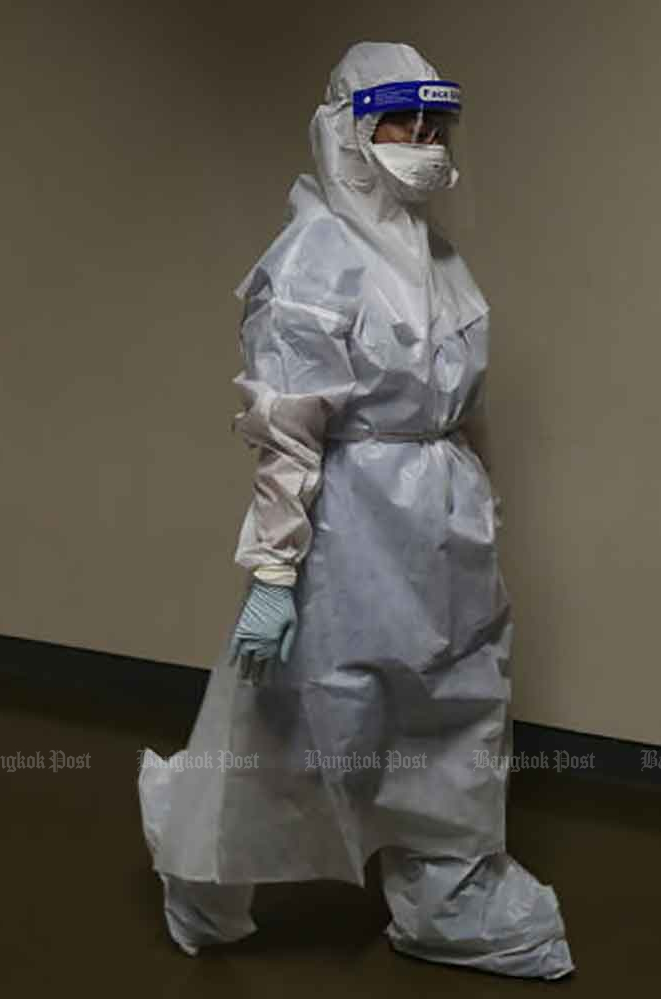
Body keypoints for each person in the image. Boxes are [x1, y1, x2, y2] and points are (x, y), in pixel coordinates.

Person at [137, 41, 575, 980]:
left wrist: (478, 498)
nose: (420, 142)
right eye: (398, 123)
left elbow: (464, 402)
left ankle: (446, 893)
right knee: (306, 716)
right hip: (352, 524)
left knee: (456, 703)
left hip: (445, 526)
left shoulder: (439, 256)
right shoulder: (312, 260)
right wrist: (274, 571)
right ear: (348, 130)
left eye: (433, 124)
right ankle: (204, 876)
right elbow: (288, 427)